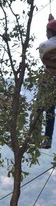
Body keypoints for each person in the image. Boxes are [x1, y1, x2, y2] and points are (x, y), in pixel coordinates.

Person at [38, 15, 56, 148]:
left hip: (50, 82)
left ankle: (43, 138)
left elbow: (49, 44)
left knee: (43, 107)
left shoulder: (44, 46)